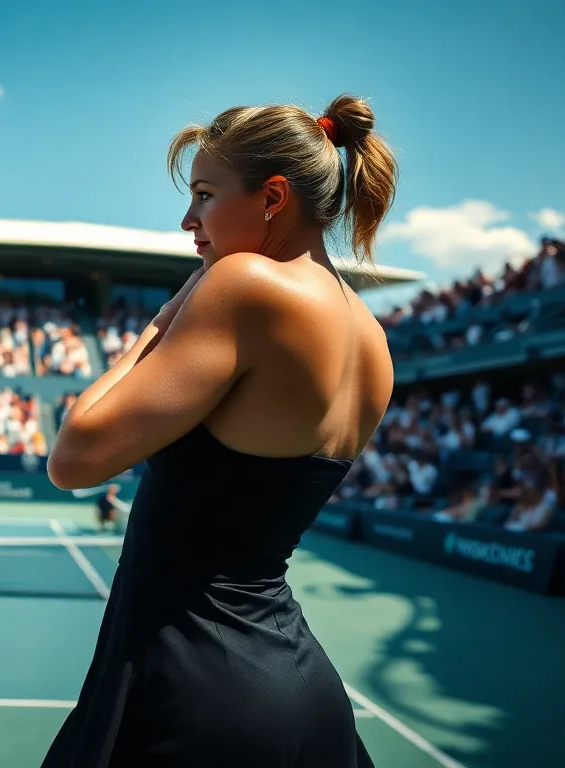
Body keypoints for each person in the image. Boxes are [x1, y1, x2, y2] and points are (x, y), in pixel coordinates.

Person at [42, 94, 397, 767]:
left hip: (193, 689)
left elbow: (74, 456)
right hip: (297, 693)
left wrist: (168, 313)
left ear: (272, 197)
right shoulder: (372, 339)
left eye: (204, 195)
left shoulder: (245, 285)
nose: (188, 220)